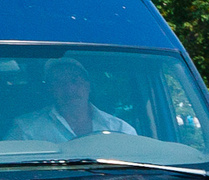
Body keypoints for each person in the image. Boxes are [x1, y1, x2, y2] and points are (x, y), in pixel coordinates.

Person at [9, 58, 138, 142]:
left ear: (88, 86)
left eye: (75, 81)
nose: (69, 89)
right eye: (59, 83)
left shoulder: (120, 130)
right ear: (50, 89)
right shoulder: (26, 129)